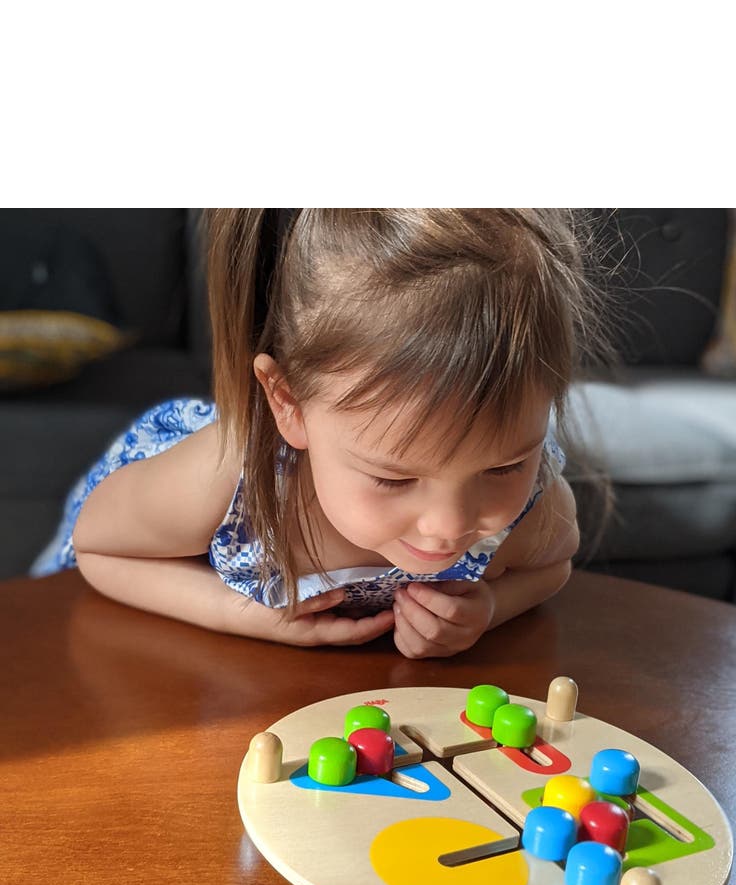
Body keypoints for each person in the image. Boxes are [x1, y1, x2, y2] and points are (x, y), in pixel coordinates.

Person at [32, 209, 615, 659]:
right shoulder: (226, 474)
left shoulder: (526, 507)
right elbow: (98, 549)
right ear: (289, 405)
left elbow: (552, 567)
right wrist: (238, 613)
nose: (450, 526)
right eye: (393, 478)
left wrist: (489, 608)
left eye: (502, 468)